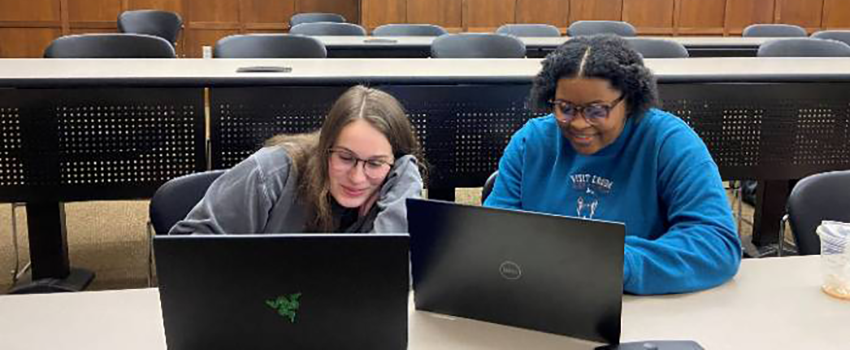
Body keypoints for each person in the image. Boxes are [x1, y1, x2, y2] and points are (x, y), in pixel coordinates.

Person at [483, 35, 741, 295]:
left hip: (643, 308)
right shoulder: (531, 142)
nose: (580, 123)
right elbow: (493, 232)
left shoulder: (668, 142)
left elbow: (716, 243)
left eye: (597, 110)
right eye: (565, 108)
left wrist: (615, 264)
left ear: (629, 101)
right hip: (543, 298)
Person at [171, 85, 425, 234]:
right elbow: (187, 245)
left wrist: (406, 175)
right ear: (327, 146)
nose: (357, 177)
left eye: (374, 163)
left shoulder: (394, 179)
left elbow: (394, 271)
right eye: (345, 158)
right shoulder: (269, 173)